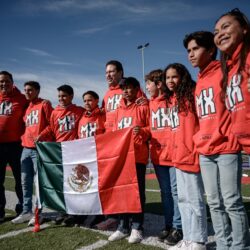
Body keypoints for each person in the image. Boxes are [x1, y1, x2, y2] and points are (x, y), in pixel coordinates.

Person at [213, 8, 250, 249]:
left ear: (245, 29)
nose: (220, 34)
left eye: (226, 26)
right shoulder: (229, 69)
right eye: (216, 31)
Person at [163, 64, 207, 249]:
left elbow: (201, 124)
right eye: (167, 78)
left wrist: (195, 146)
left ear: (183, 77)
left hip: (191, 154)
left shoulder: (192, 94)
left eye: (174, 77)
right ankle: (188, 237)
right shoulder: (172, 100)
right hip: (177, 156)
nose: (170, 81)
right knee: (183, 200)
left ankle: (199, 240)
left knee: (195, 199)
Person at [108, 77, 150, 244]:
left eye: (129, 88)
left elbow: (151, 129)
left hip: (137, 156)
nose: (126, 91)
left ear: (136, 89)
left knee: (137, 193)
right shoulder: (117, 110)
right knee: (121, 193)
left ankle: (137, 227)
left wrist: (143, 131)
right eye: (123, 88)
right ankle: (122, 226)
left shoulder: (143, 106)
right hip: (122, 157)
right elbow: (113, 132)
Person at [145, 69, 183, 246]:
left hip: (174, 154)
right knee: (166, 194)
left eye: (149, 84)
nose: (146, 88)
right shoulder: (149, 104)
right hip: (158, 156)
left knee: (176, 193)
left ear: (158, 84)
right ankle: (168, 224)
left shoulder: (172, 99)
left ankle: (178, 227)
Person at [38, 84, 84, 226]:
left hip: (76, 151)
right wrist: (41, 136)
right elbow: (51, 128)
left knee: (76, 183)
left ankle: (77, 213)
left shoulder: (79, 110)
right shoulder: (55, 112)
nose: (61, 98)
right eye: (59, 96)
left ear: (71, 96)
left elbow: (92, 114)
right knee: (63, 184)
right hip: (59, 151)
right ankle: (64, 211)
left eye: (64, 96)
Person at [11, 81, 53, 226]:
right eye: (25, 90)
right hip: (25, 149)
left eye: (30, 90)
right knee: (25, 182)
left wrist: (42, 135)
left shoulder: (45, 104)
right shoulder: (26, 107)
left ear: (37, 91)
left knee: (38, 183)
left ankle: (37, 213)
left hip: (39, 149)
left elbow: (51, 123)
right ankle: (26, 211)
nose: (27, 92)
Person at [0, 71, 28, 223]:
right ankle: (0, 211)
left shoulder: (22, 99)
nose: (3, 84)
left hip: (16, 145)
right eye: (1, 82)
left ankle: (23, 208)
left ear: (12, 81)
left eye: (6, 81)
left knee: (20, 179)